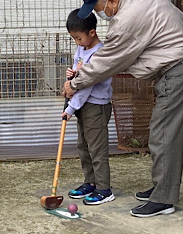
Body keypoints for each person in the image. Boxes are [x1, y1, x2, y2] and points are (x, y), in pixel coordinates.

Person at [63, 0, 183, 217]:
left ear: (111, 0)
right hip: (181, 65)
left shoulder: (128, 18)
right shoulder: (143, 2)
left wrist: (74, 85)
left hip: (178, 69)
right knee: (168, 134)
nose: (101, 14)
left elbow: (106, 62)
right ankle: (164, 188)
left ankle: (163, 199)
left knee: (164, 134)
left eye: (98, 8)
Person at [64, 9, 114, 206]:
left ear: (92, 32)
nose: (77, 42)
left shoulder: (100, 53)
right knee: (83, 146)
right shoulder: (82, 49)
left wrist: (70, 109)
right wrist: (73, 74)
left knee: (97, 148)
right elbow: (79, 76)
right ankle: (90, 182)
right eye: (74, 39)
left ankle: (104, 189)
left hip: (96, 105)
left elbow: (87, 85)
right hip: (83, 104)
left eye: (78, 38)